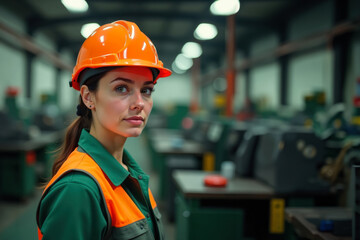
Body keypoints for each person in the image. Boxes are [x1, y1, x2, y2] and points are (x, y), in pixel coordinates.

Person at [36, 20, 172, 240]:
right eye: (121, 88)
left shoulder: (129, 171)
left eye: (146, 90)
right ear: (89, 97)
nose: (139, 103)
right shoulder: (79, 190)